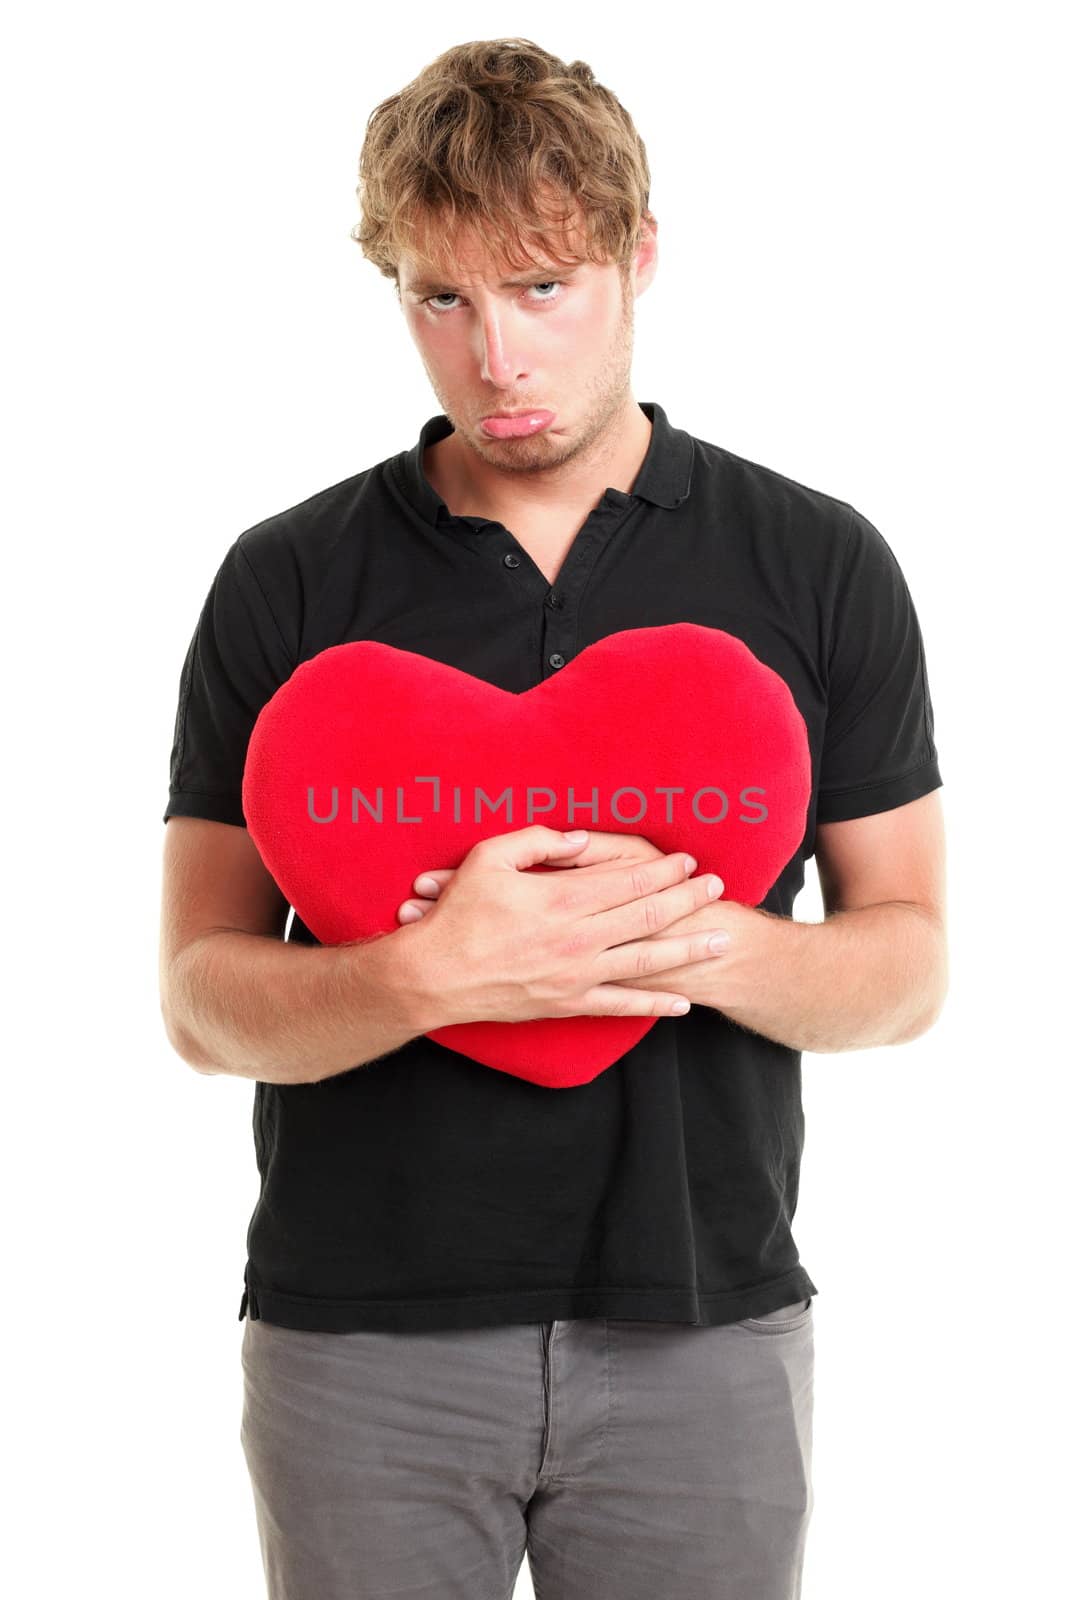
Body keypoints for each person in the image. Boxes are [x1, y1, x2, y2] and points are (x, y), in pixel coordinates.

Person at [159, 36, 948, 1600]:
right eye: (439, 300)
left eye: (542, 289)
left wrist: (677, 940)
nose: (495, 361)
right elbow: (200, 997)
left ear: (637, 256)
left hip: (705, 1324)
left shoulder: (816, 560)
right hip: (356, 1338)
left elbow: (909, 960)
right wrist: (424, 978)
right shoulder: (287, 579)